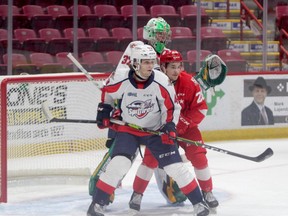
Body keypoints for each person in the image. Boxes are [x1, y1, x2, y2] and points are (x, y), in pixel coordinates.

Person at [87, 44, 210, 216]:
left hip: (155, 131)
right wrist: (104, 111)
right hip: (128, 130)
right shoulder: (120, 78)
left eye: (152, 62)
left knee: (175, 167)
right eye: (146, 62)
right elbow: (108, 93)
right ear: (135, 63)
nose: (150, 66)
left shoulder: (161, 80)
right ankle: (97, 204)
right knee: (119, 164)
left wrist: (169, 125)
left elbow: (171, 108)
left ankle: (199, 203)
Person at [129, 50, 219, 214]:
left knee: (199, 156)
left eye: (179, 67)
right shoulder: (152, 82)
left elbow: (201, 110)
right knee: (150, 160)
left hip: (186, 129)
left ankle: (207, 191)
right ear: (163, 67)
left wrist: (179, 126)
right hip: (161, 130)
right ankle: (137, 194)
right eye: (172, 67)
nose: (177, 71)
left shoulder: (190, 82)